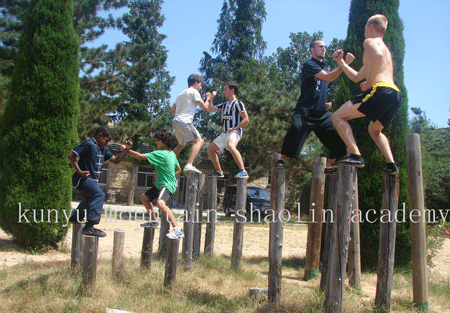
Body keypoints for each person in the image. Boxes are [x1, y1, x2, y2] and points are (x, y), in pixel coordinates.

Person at [331, 14, 402, 174]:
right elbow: (356, 77)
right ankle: (391, 165)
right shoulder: (385, 51)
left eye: (365, 28)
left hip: (381, 90)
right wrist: (341, 62)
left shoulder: (370, 42)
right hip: (395, 95)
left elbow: (375, 56)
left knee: (337, 116)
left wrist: (370, 83)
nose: (364, 32)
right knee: (374, 130)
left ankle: (355, 155)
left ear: (370, 27)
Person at [276, 40, 353, 172]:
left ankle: (331, 165)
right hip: (305, 111)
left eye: (325, 47)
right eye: (320, 46)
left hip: (321, 113)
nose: (324, 49)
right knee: (296, 128)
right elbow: (328, 78)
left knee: (338, 133)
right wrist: (344, 63)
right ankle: (282, 159)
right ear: (312, 49)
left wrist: (325, 103)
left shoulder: (326, 68)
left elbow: (319, 89)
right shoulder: (309, 65)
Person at [68, 126, 132, 237]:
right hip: (82, 179)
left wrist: (126, 150)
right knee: (99, 195)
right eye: (106, 140)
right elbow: (71, 155)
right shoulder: (89, 144)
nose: (107, 143)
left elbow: (116, 161)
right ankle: (89, 226)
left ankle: (76, 217)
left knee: (90, 198)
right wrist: (79, 171)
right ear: (100, 136)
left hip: (92, 181)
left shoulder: (103, 149)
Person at [126, 129, 184, 239]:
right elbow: (179, 169)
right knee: (144, 198)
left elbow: (139, 156)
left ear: (163, 141)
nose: (155, 142)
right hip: (161, 185)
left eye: (157, 140)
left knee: (160, 203)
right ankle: (153, 221)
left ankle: (177, 229)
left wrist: (127, 150)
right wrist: (171, 177)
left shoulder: (160, 154)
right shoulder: (171, 154)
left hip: (167, 185)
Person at [171, 74, 216, 174]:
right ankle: (189, 165)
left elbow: (173, 110)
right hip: (184, 121)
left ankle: (167, 162)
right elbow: (205, 107)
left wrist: (182, 111)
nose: (201, 87)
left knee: (180, 145)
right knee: (199, 141)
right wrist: (208, 98)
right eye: (200, 85)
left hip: (176, 121)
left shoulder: (181, 93)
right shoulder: (194, 91)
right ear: (196, 83)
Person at [206, 81, 249, 179]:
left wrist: (235, 128)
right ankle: (218, 171)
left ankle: (243, 170)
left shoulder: (238, 104)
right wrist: (211, 98)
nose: (223, 91)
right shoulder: (224, 105)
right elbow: (209, 109)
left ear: (232, 90)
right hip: (225, 133)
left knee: (230, 146)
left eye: (225, 89)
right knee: (210, 149)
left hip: (235, 132)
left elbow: (246, 119)